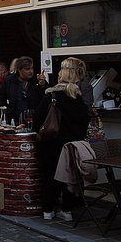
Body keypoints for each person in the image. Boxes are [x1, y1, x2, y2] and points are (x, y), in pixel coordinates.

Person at [33, 64, 90, 220]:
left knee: (50, 177)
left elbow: (37, 119)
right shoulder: (78, 99)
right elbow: (85, 120)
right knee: (70, 176)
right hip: (73, 144)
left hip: (52, 144)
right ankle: (67, 210)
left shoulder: (52, 96)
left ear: (60, 78)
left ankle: (48, 210)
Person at [0, 56, 47, 125]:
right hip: (14, 120)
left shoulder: (36, 81)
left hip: (33, 120)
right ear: (19, 70)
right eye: (27, 69)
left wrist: (43, 84)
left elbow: (45, 98)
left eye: (32, 68)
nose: (31, 71)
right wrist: (7, 112)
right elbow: (1, 98)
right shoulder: (9, 81)